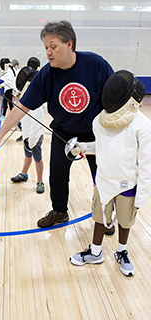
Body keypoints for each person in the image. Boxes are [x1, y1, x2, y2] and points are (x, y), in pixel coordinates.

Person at [0, 20, 114, 231]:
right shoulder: (46, 75)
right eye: (46, 48)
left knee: (103, 178)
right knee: (57, 176)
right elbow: (22, 106)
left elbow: (116, 97)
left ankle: (106, 216)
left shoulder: (96, 64)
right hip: (63, 133)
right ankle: (60, 212)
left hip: (96, 134)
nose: (48, 52)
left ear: (69, 44)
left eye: (53, 47)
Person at [70, 70, 151, 276]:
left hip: (128, 183)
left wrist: (142, 195)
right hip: (104, 180)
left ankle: (121, 251)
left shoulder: (142, 126)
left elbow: (146, 164)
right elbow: (103, 146)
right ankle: (96, 252)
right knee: (99, 217)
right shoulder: (100, 121)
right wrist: (83, 147)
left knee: (125, 221)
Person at [11, 58, 46, 194]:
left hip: (35, 134)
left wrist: (33, 138)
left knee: (38, 158)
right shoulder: (28, 90)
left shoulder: (39, 95)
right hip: (27, 131)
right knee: (27, 155)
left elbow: (38, 120)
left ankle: (39, 181)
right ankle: (24, 173)